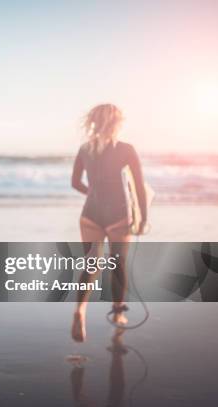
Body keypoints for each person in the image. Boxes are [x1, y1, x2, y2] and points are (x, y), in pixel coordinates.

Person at [70, 104, 147, 343]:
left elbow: (75, 183)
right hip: (118, 216)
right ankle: (118, 314)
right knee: (118, 265)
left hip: (89, 215)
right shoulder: (126, 149)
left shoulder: (85, 148)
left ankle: (79, 311)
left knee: (91, 264)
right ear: (117, 123)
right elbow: (140, 187)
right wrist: (143, 217)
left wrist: (92, 192)